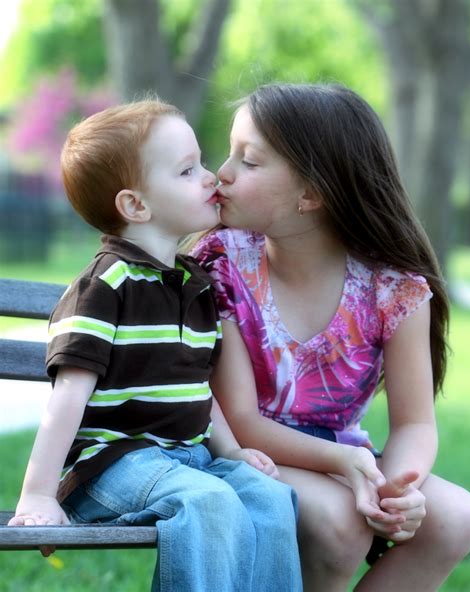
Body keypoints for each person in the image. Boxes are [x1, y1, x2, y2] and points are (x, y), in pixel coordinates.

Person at [8, 99, 304, 592]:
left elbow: (195, 387)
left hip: (188, 459)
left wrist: (232, 452)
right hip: (113, 466)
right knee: (207, 502)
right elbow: (66, 401)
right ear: (136, 206)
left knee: (270, 498)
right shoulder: (105, 287)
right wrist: (37, 493)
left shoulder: (195, 284)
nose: (211, 177)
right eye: (188, 171)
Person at [191, 83, 470, 591]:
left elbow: (415, 423)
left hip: (343, 457)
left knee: (456, 517)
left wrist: (395, 488)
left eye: (249, 162)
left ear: (312, 194)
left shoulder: (394, 289)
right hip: (241, 449)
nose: (222, 174)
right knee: (340, 522)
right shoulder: (225, 264)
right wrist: (352, 467)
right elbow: (241, 421)